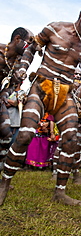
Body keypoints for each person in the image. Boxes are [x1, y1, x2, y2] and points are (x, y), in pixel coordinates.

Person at [0, 0, 81, 206]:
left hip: (65, 94)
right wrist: (23, 67)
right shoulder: (54, 28)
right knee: (25, 134)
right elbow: (31, 48)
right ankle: (4, 183)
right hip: (41, 87)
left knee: (72, 139)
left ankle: (60, 191)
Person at [0, 27, 34, 164]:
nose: (28, 48)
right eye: (27, 44)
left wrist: (4, 94)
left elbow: (12, 86)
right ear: (17, 39)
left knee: (6, 134)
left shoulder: (18, 64)